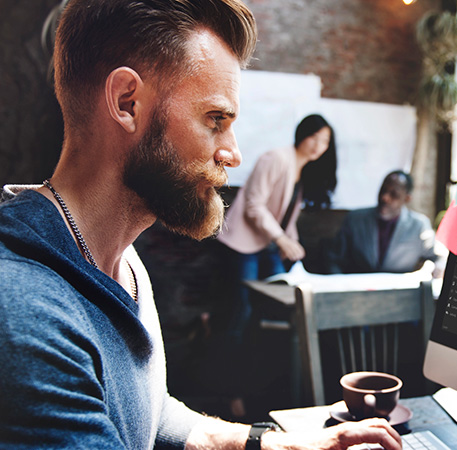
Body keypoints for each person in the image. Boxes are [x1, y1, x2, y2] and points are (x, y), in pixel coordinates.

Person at [0, 1, 401, 449]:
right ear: (127, 102)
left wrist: (275, 443)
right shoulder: (25, 311)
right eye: (215, 119)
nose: (233, 153)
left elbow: (153, 414)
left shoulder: (125, 262)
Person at [216, 114, 337, 343]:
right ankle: (229, 354)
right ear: (302, 134)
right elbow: (254, 205)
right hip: (244, 243)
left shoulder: (304, 171)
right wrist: (282, 239)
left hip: (268, 243)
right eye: (314, 137)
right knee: (242, 307)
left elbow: (286, 216)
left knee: (279, 301)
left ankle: (259, 353)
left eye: (325, 141)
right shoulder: (276, 158)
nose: (318, 145)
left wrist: (293, 242)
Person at [328, 170, 446, 276]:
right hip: (357, 288)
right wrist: (340, 283)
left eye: (394, 194)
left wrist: (439, 267)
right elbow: (334, 259)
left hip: (400, 290)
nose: (385, 198)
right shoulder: (355, 219)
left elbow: (438, 256)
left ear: (407, 199)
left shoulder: (419, 225)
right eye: (383, 190)